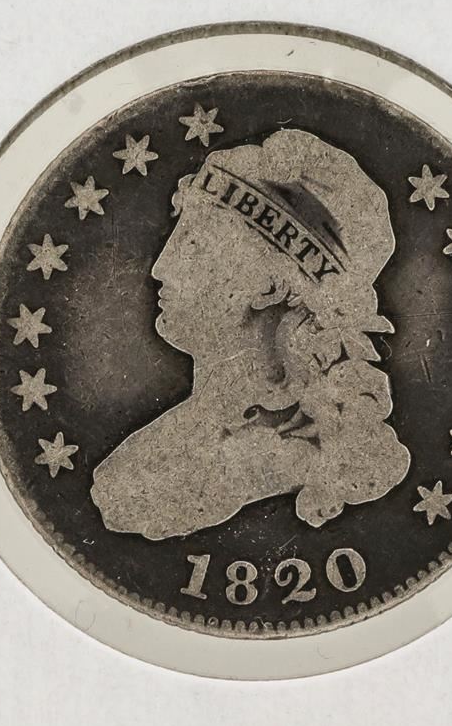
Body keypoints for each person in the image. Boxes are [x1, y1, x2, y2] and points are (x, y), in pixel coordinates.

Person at [90, 128, 410, 540]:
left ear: (269, 285)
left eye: (195, 246)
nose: (160, 268)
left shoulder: (260, 461)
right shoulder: (184, 437)